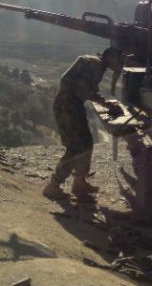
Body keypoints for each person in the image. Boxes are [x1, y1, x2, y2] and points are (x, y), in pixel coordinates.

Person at [43, 47, 124, 200]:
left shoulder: (95, 63)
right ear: (110, 56)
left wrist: (104, 103)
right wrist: (106, 104)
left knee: (86, 143)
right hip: (68, 106)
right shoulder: (95, 65)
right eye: (118, 59)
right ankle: (53, 186)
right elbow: (85, 90)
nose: (120, 63)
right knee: (76, 147)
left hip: (72, 105)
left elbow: (84, 89)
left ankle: (79, 183)